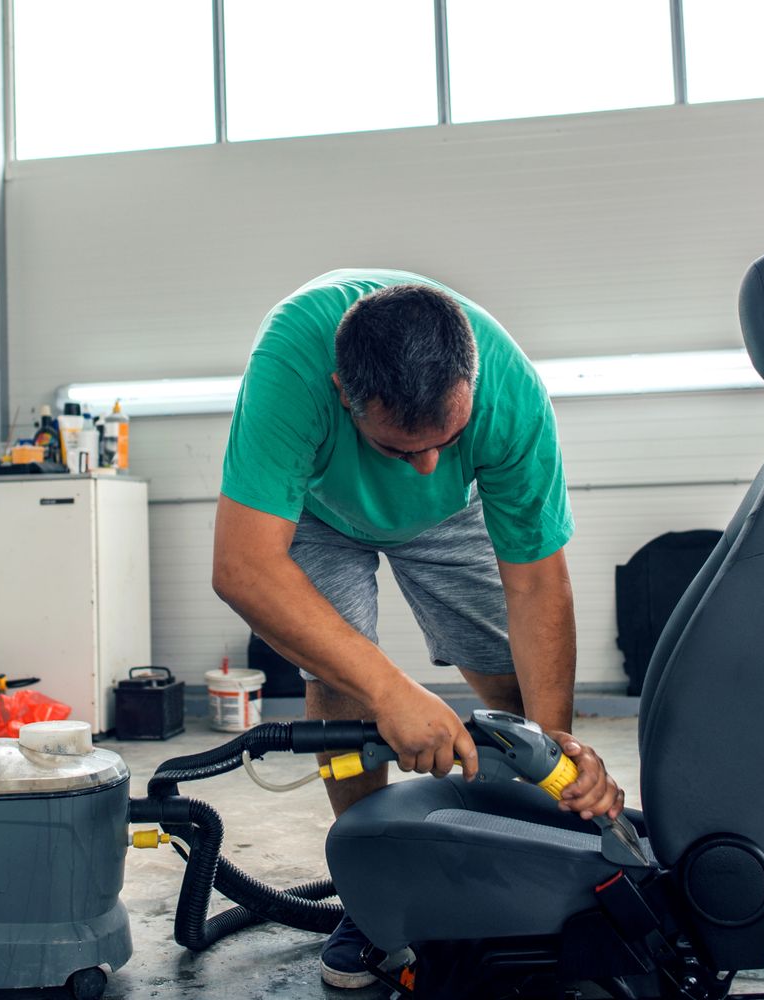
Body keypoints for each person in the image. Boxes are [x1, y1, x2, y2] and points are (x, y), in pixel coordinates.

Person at [213, 269, 624, 989]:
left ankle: (533, 856)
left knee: (513, 679)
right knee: (342, 675)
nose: (427, 463)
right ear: (345, 392)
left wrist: (556, 747)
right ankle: (375, 895)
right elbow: (244, 568)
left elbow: (533, 582)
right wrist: (387, 691)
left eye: (447, 437)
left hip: (452, 513)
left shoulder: (508, 394)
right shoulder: (292, 371)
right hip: (316, 507)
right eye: (405, 449)